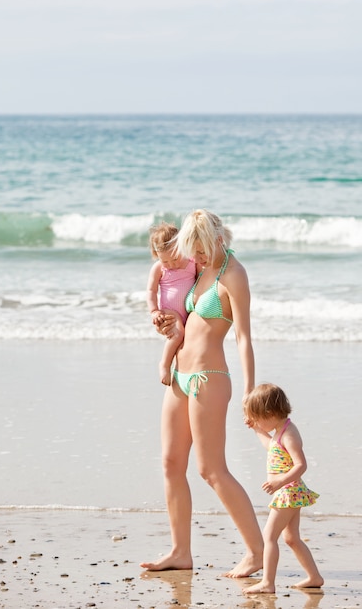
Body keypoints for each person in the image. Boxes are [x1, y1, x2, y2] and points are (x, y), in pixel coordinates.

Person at [141, 209, 264, 577]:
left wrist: (249, 390)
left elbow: (243, 337)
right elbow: (186, 315)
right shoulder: (200, 269)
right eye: (192, 251)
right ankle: (180, 551)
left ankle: (257, 552)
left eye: (201, 249)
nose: (195, 257)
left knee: (211, 469)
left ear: (218, 238)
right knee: (170, 463)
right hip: (180, 373)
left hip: (209, 378)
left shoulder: (234, 274)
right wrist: (167, 322)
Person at [243, 383, 324, 593]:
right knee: (291, 538)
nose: (257, 421)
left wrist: (280, 482)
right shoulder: (280, 429)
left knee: (269, 536)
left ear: (270, 413)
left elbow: (301, 465)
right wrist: (256, 429)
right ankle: (314, 576)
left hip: (288, 491)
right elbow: (270, 446)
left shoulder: (289, 434)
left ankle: (267, 582)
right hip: (289, 491)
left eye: (258, 418)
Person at [147, 222, 197, 385]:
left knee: (187, 341)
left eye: (175, 258)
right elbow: (151, 291)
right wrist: (154, 311)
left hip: (189, 312)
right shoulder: (159, 268)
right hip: (170, 312)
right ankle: (165, 364)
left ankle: (183, 370)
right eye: (165, 261)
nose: (172, 264)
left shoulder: (192, 263)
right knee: (176, 335)